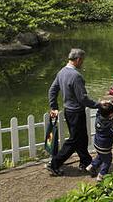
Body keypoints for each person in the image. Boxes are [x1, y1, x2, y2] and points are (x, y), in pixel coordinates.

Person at [46, 48, 100, 176]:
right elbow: (83, 99)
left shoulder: (62, 72)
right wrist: (98, 105)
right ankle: (54, 164)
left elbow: (52, 91)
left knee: (82, 138)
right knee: (74, 140)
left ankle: (86, 163)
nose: (82, 63)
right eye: (82, 61)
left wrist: (54, 106)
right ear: (78, 60)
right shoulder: (76, 76)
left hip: (68, 112)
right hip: (76, 113)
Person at [86, 102, 113, 181]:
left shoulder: (98, 117)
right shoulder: (109, 126)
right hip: (105, 147)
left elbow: (98, 111)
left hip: (97, 143)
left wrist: (102, 105)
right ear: (110, 114)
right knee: (107, 160)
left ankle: (91, 167)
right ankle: (102, 175)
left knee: (100, 156)